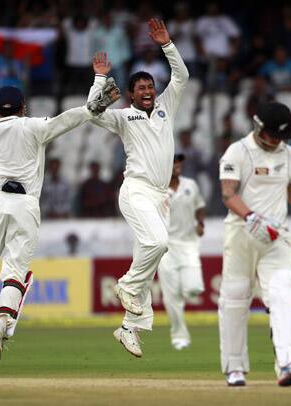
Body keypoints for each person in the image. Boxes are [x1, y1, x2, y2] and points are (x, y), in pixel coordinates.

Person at [0, 72, 119, 361]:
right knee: (15, 273)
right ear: (23, 107)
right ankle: (0, 323)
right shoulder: (33, 127)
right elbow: (65, 120)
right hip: (25, 205)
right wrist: (92, 107)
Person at [218, 101, 291, 387]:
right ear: (258, 128)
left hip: (276, 236)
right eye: (272, 135)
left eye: (281, 137)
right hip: (242, 233)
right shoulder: (238, 151)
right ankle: (234, 367)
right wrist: (250, 218)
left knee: (284, 290)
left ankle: (288, 362)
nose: (276, 141)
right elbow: (227, 193)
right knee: (235, 297)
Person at [88, 18, 189, 357]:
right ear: (131, 95)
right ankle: (127, 286)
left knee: (153, 252)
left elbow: (183, 77)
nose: (148, 91)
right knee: (157, 243)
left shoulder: (166, 108)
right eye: (141, 88)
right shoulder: (122, 117)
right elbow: (92, 112)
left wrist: (167, 44)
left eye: (151, 87)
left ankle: (130, 327)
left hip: (160, 197)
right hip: (136, 189)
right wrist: (100, 79)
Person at [157, 153, 205, 350]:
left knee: (193, 288)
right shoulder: (156, 190)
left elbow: (200, 206)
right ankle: (179, 336)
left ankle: (185, 290)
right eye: (173, 162)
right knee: (172, 296)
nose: (178, 165)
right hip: (166, 247)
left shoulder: (190, 185)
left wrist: (200, 222)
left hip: (189, 244)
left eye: (179, 162)